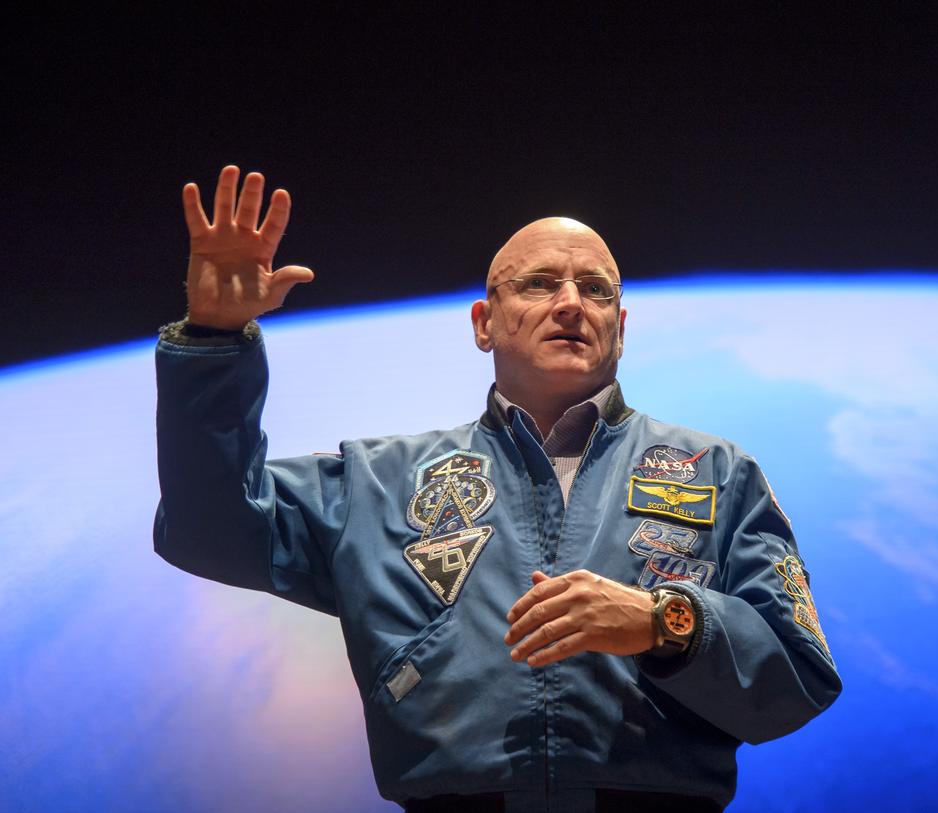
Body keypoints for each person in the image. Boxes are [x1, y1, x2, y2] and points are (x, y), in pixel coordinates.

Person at [154, 165, 841, 812]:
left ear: (621, 330)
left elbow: (797, 681)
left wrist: (665, 622)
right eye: (539, 283)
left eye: (596, 289)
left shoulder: (718, 471)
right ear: (484, 323)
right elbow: (208, 525)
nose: (571, 302)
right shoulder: (377, 481)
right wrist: (214, 341)